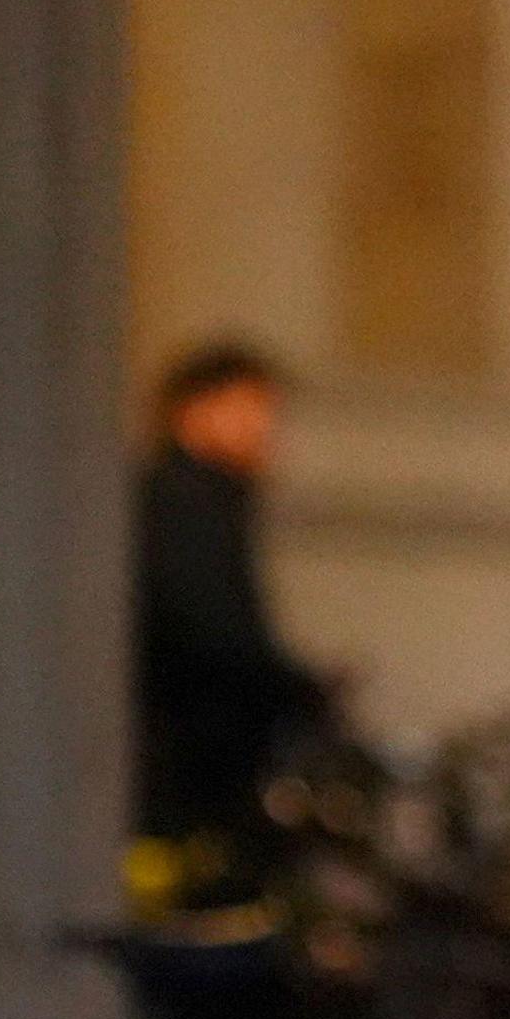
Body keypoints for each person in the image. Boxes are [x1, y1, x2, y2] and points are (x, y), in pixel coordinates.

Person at [132, 340, 335, 855]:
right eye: (251, 408)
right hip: (191, 762)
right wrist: (294, 689)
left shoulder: (199, 499)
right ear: (197, 409)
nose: (264, 428)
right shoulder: (187, 502)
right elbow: (210, 627)